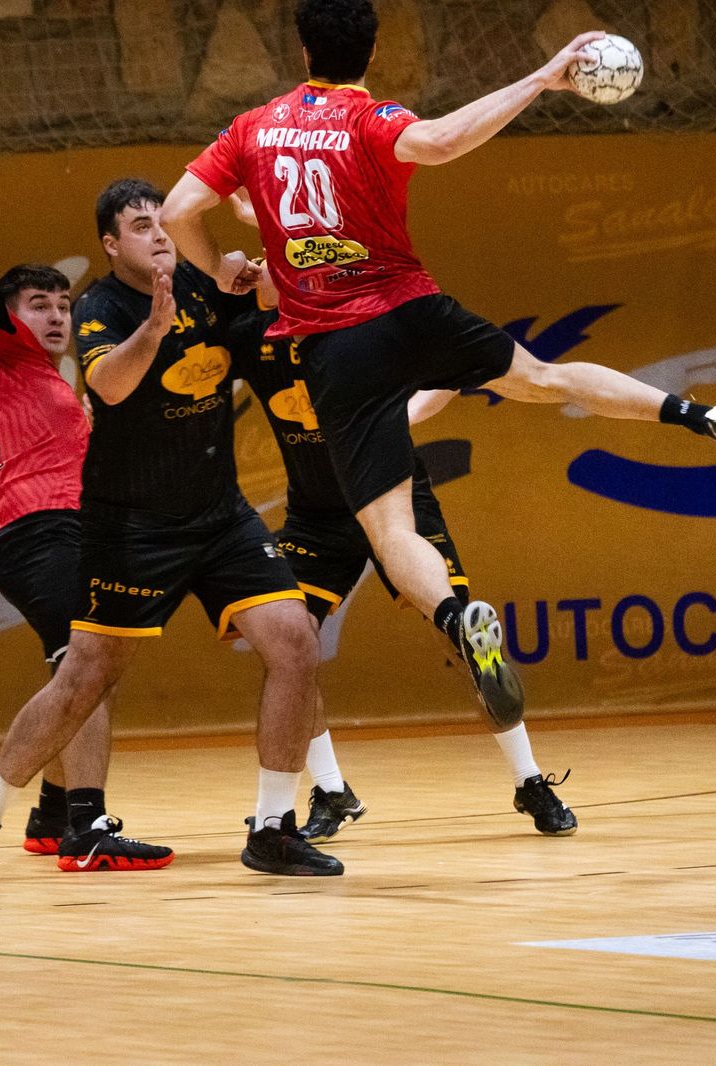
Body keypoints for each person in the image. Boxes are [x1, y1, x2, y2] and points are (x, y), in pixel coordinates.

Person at [159, 0, 716, 746]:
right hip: (414, 311)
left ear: (301, 48)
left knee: (390, 529)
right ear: (372, 49)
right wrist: (542, 78)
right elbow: (441, 142)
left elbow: (180, 208)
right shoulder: (371, 118)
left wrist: (217, 267)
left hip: (337, 349)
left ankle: (455, 615)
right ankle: (699, 416)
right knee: (543, 378)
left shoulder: (252, 129)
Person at [0, 177, 341, 883]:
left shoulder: (207, 286)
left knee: (296, 642)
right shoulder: (100, 305)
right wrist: (155, 328)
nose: (157, 234)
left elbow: (270, 332)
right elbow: (112, 387)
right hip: (132, 526)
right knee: (83, 677)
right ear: (111, 243)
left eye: (163, 222)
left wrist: (266, 280)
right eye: (139, 226)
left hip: (219, 514)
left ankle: (275, 826)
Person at [228, 297, 576, 838]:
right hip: (316, 517)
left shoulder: (360, 313)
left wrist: (395, 416)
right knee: (288, 646)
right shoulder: (250, 330)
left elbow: (452, 371)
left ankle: (530, 779)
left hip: (396, 499)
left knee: (458, 637)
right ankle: (330, 789)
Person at [0, 125, 163, 868]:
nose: (57, 315)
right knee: (85, 662)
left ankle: (54, 811)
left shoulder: (63, 387)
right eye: (40, 303)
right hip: (36, 531)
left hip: (71, 530)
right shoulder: (0, 347)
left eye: (64, 303)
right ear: (9, 316)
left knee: (86, 669)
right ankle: (74, 826)